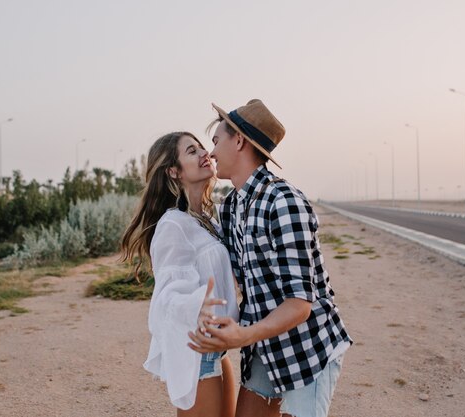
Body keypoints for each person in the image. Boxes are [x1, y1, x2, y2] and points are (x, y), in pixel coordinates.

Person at [188, 99, 352, 417]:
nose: (211, 151)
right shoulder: (231, 206)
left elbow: (300, 303)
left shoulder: (284, 202)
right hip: (265, 345)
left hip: (307, 350)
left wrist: (243, 334)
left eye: (216, 140)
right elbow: (234, 279)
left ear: (239, 141)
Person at [120, 131, 239, 417]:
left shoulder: (206, 219)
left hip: (219, 350)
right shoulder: (173, 224)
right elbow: (167, 294)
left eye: (202, 147)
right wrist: (194, 305)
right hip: (198, 351)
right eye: (191, 151)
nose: (204, 154)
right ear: (174, 171)